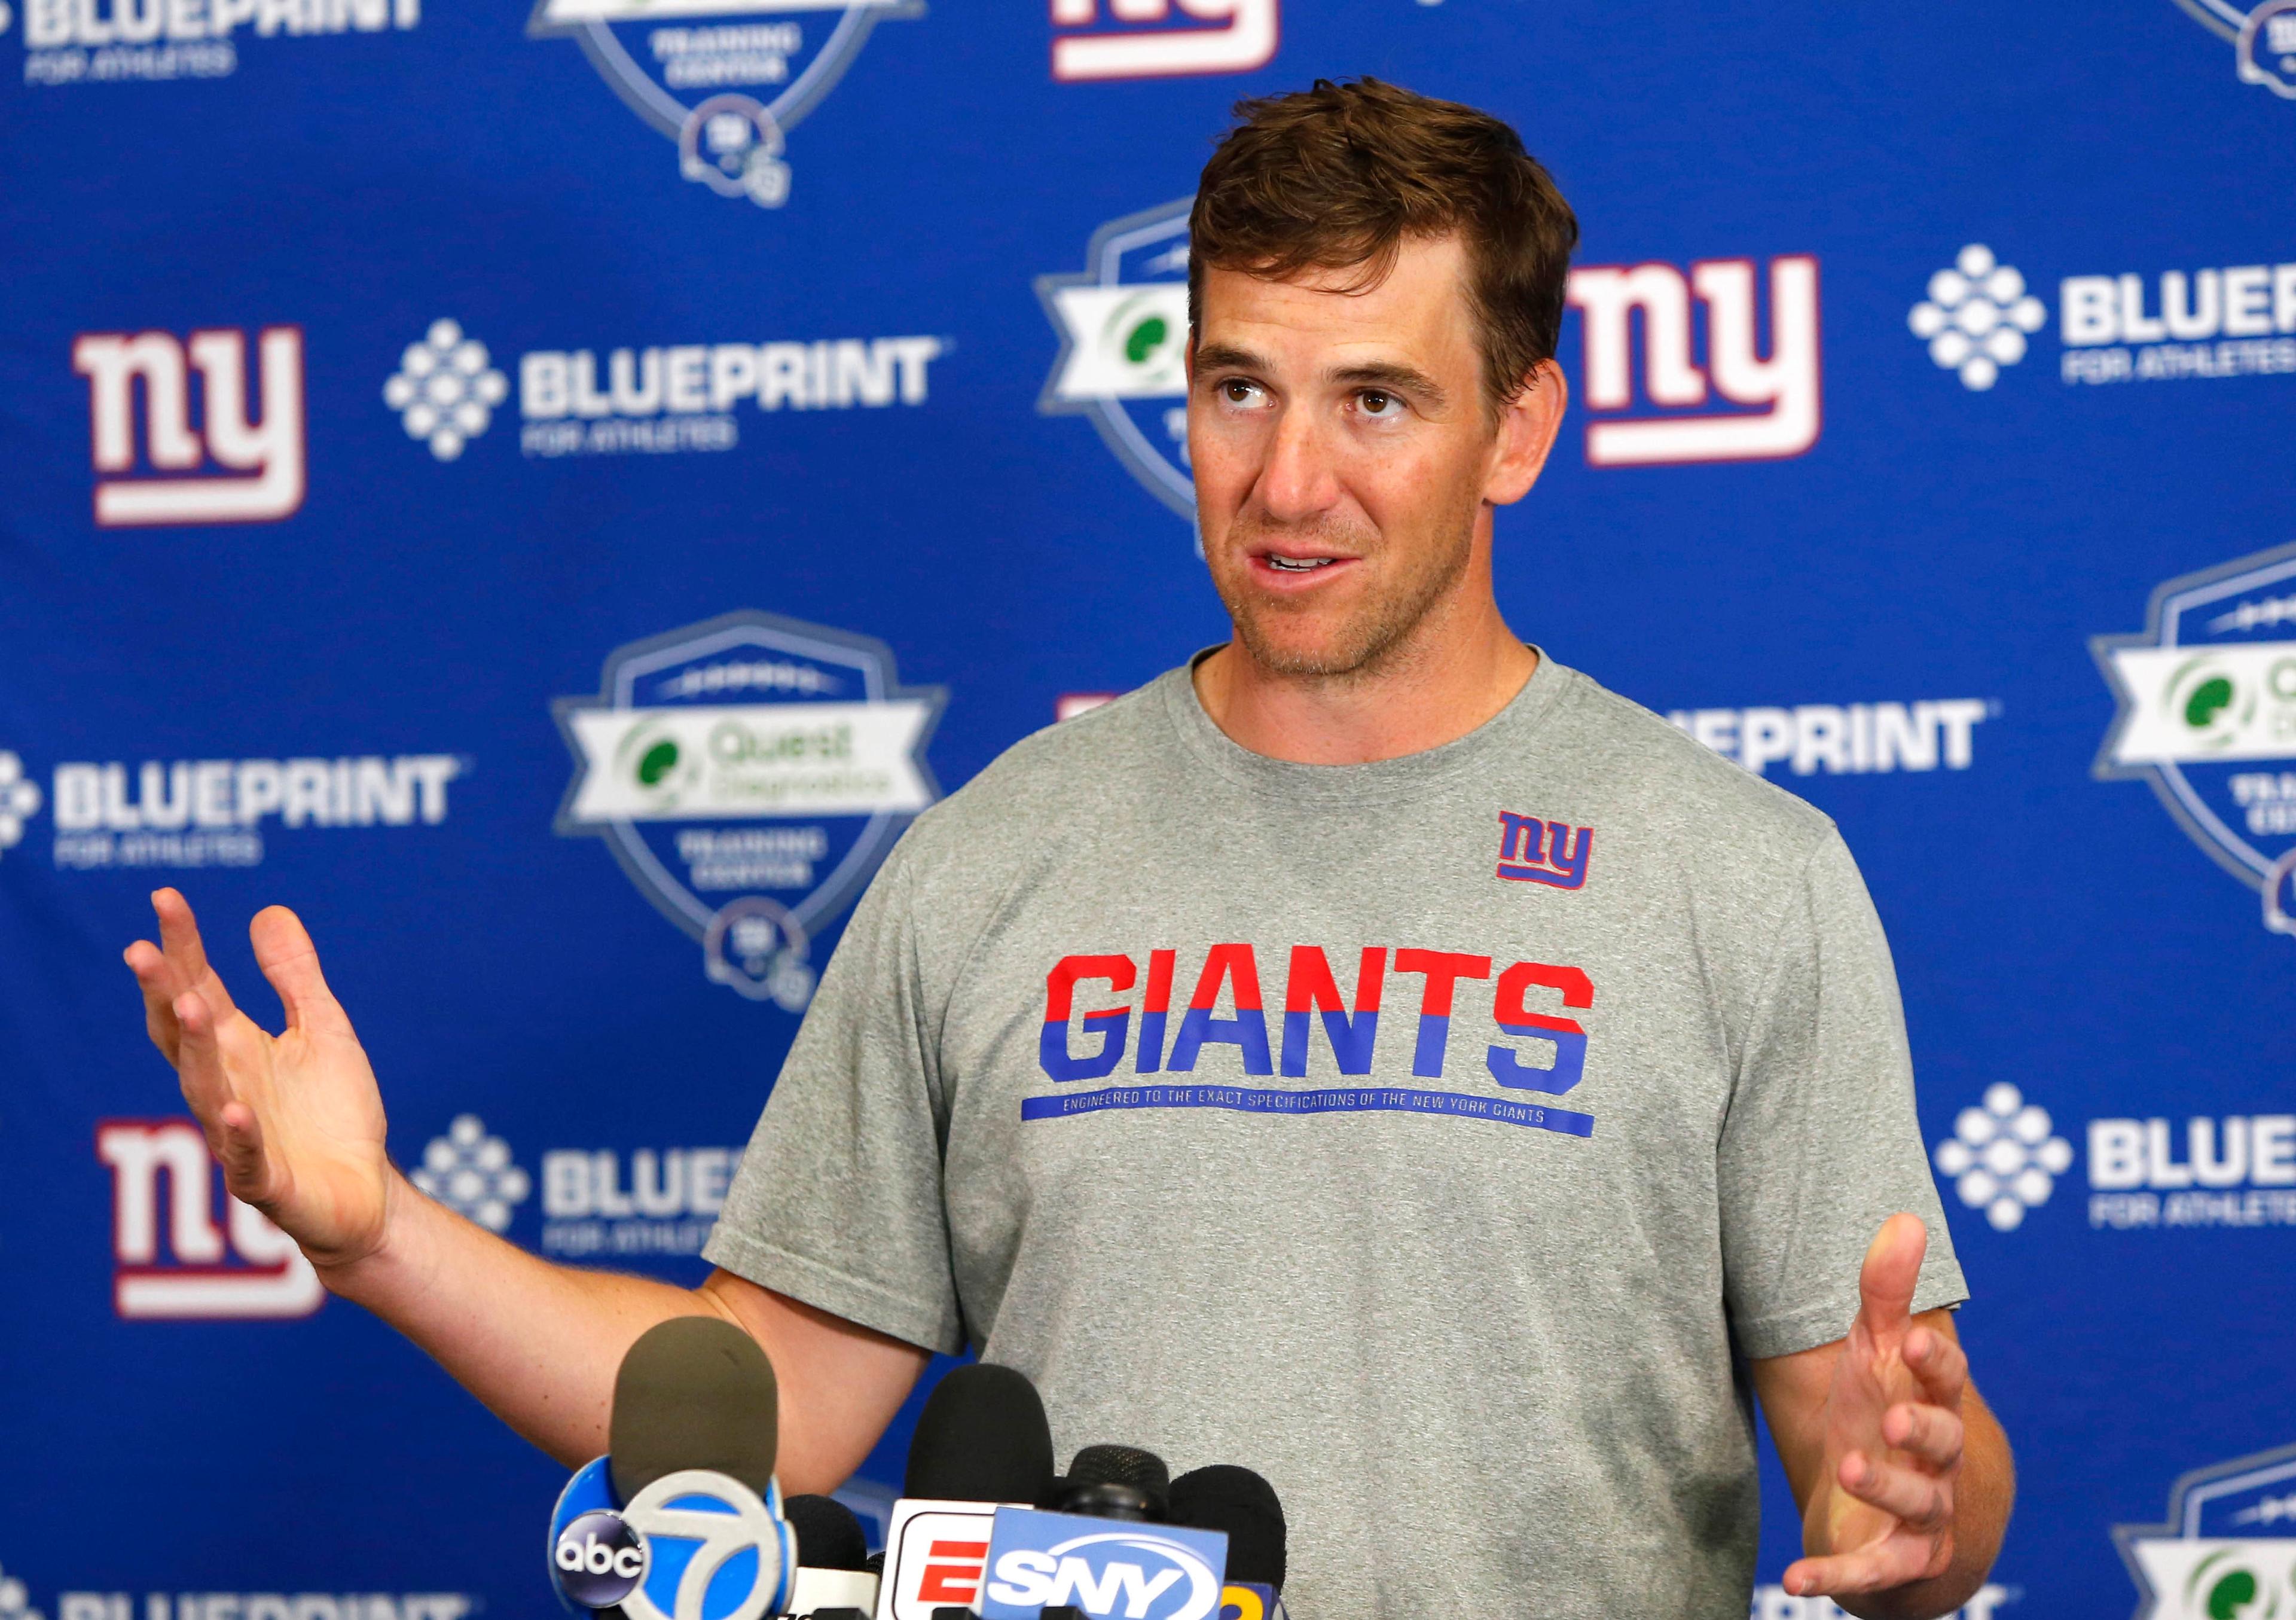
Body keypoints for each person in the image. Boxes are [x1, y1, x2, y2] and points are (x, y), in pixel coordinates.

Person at [124, 78, 2011, 1620]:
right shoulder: (991, 861)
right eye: (1237, 387)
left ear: (1518, 430)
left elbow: (1895, 1472)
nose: (1286, 482)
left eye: (1377, 401)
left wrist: (1934, 1509)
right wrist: (377, 1241)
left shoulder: (1735, 873)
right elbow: (758, 1412)